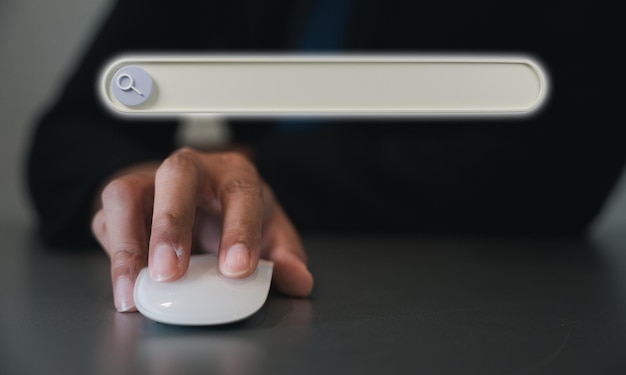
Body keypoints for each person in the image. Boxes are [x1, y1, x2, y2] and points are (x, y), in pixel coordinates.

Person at [26, 0, 624, 312]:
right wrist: (132, 185)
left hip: (490, 288)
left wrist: (252, 165)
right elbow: (67, 134)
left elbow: (563, 163)